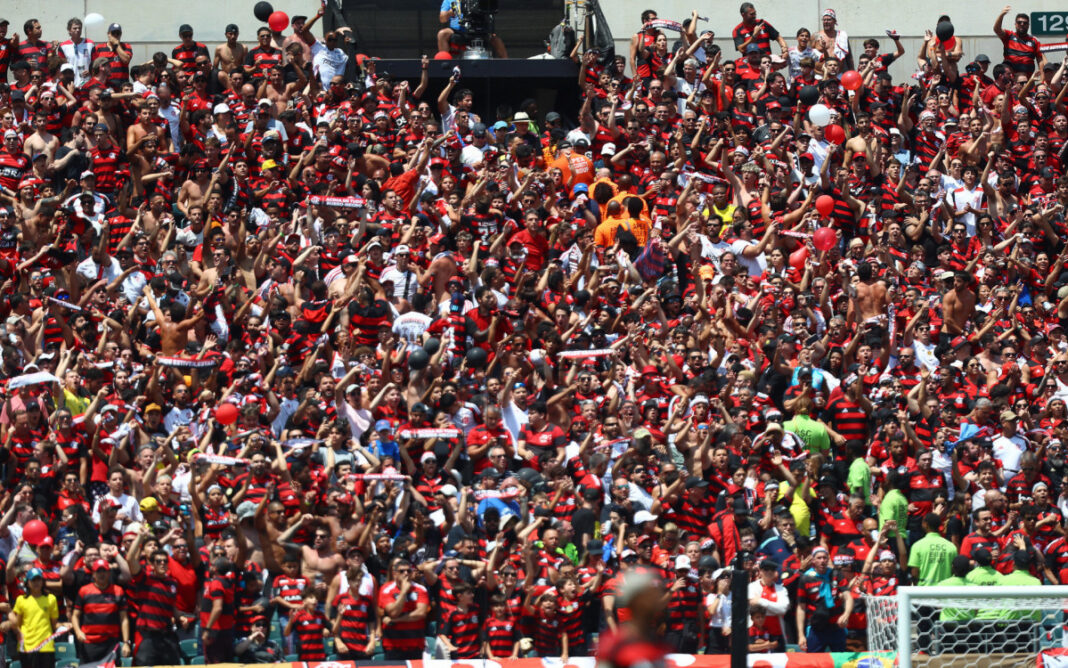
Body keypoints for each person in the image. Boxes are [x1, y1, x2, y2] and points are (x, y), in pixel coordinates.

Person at [11, 568, 59, 668]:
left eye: (38, 579)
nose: (36, 583)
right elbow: (17, 625)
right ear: (27, 583)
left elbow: (54, 624)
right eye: (33, 580)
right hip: (28, 646)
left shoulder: (51, 599)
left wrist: (64, 625)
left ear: (42, 581)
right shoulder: (21, 600)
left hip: (46, 646)